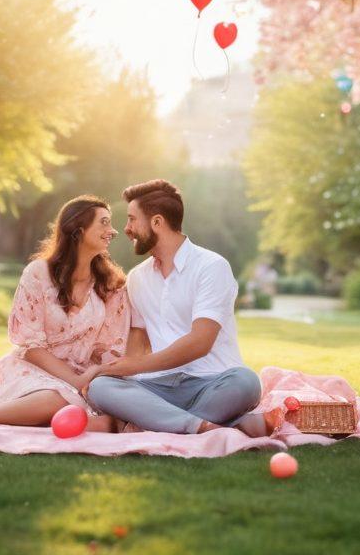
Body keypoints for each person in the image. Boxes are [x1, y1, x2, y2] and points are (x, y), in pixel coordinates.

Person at [83, 179, 271, 437]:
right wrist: (126, 372)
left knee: (246, 382)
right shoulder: (138, 278)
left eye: (132, 219)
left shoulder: (211, 266)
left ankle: (152, 422)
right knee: (101, 387)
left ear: (157, 222)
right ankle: (207, 426)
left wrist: (134, 367)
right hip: (159, 385)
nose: (126, 229)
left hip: (213, 382)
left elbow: (200, 342)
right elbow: (138, 334)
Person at [0, 195, 133, 433]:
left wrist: (92, 378)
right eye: (104, 222)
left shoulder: (112, 284)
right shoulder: (38, 273)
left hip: (84, 377)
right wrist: (74, 381)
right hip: (32, 369)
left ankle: (56, 418)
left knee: (100, 410)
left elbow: (110, 349)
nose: (112, 231)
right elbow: (31, 346)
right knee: (56, 400)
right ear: (78, 230)